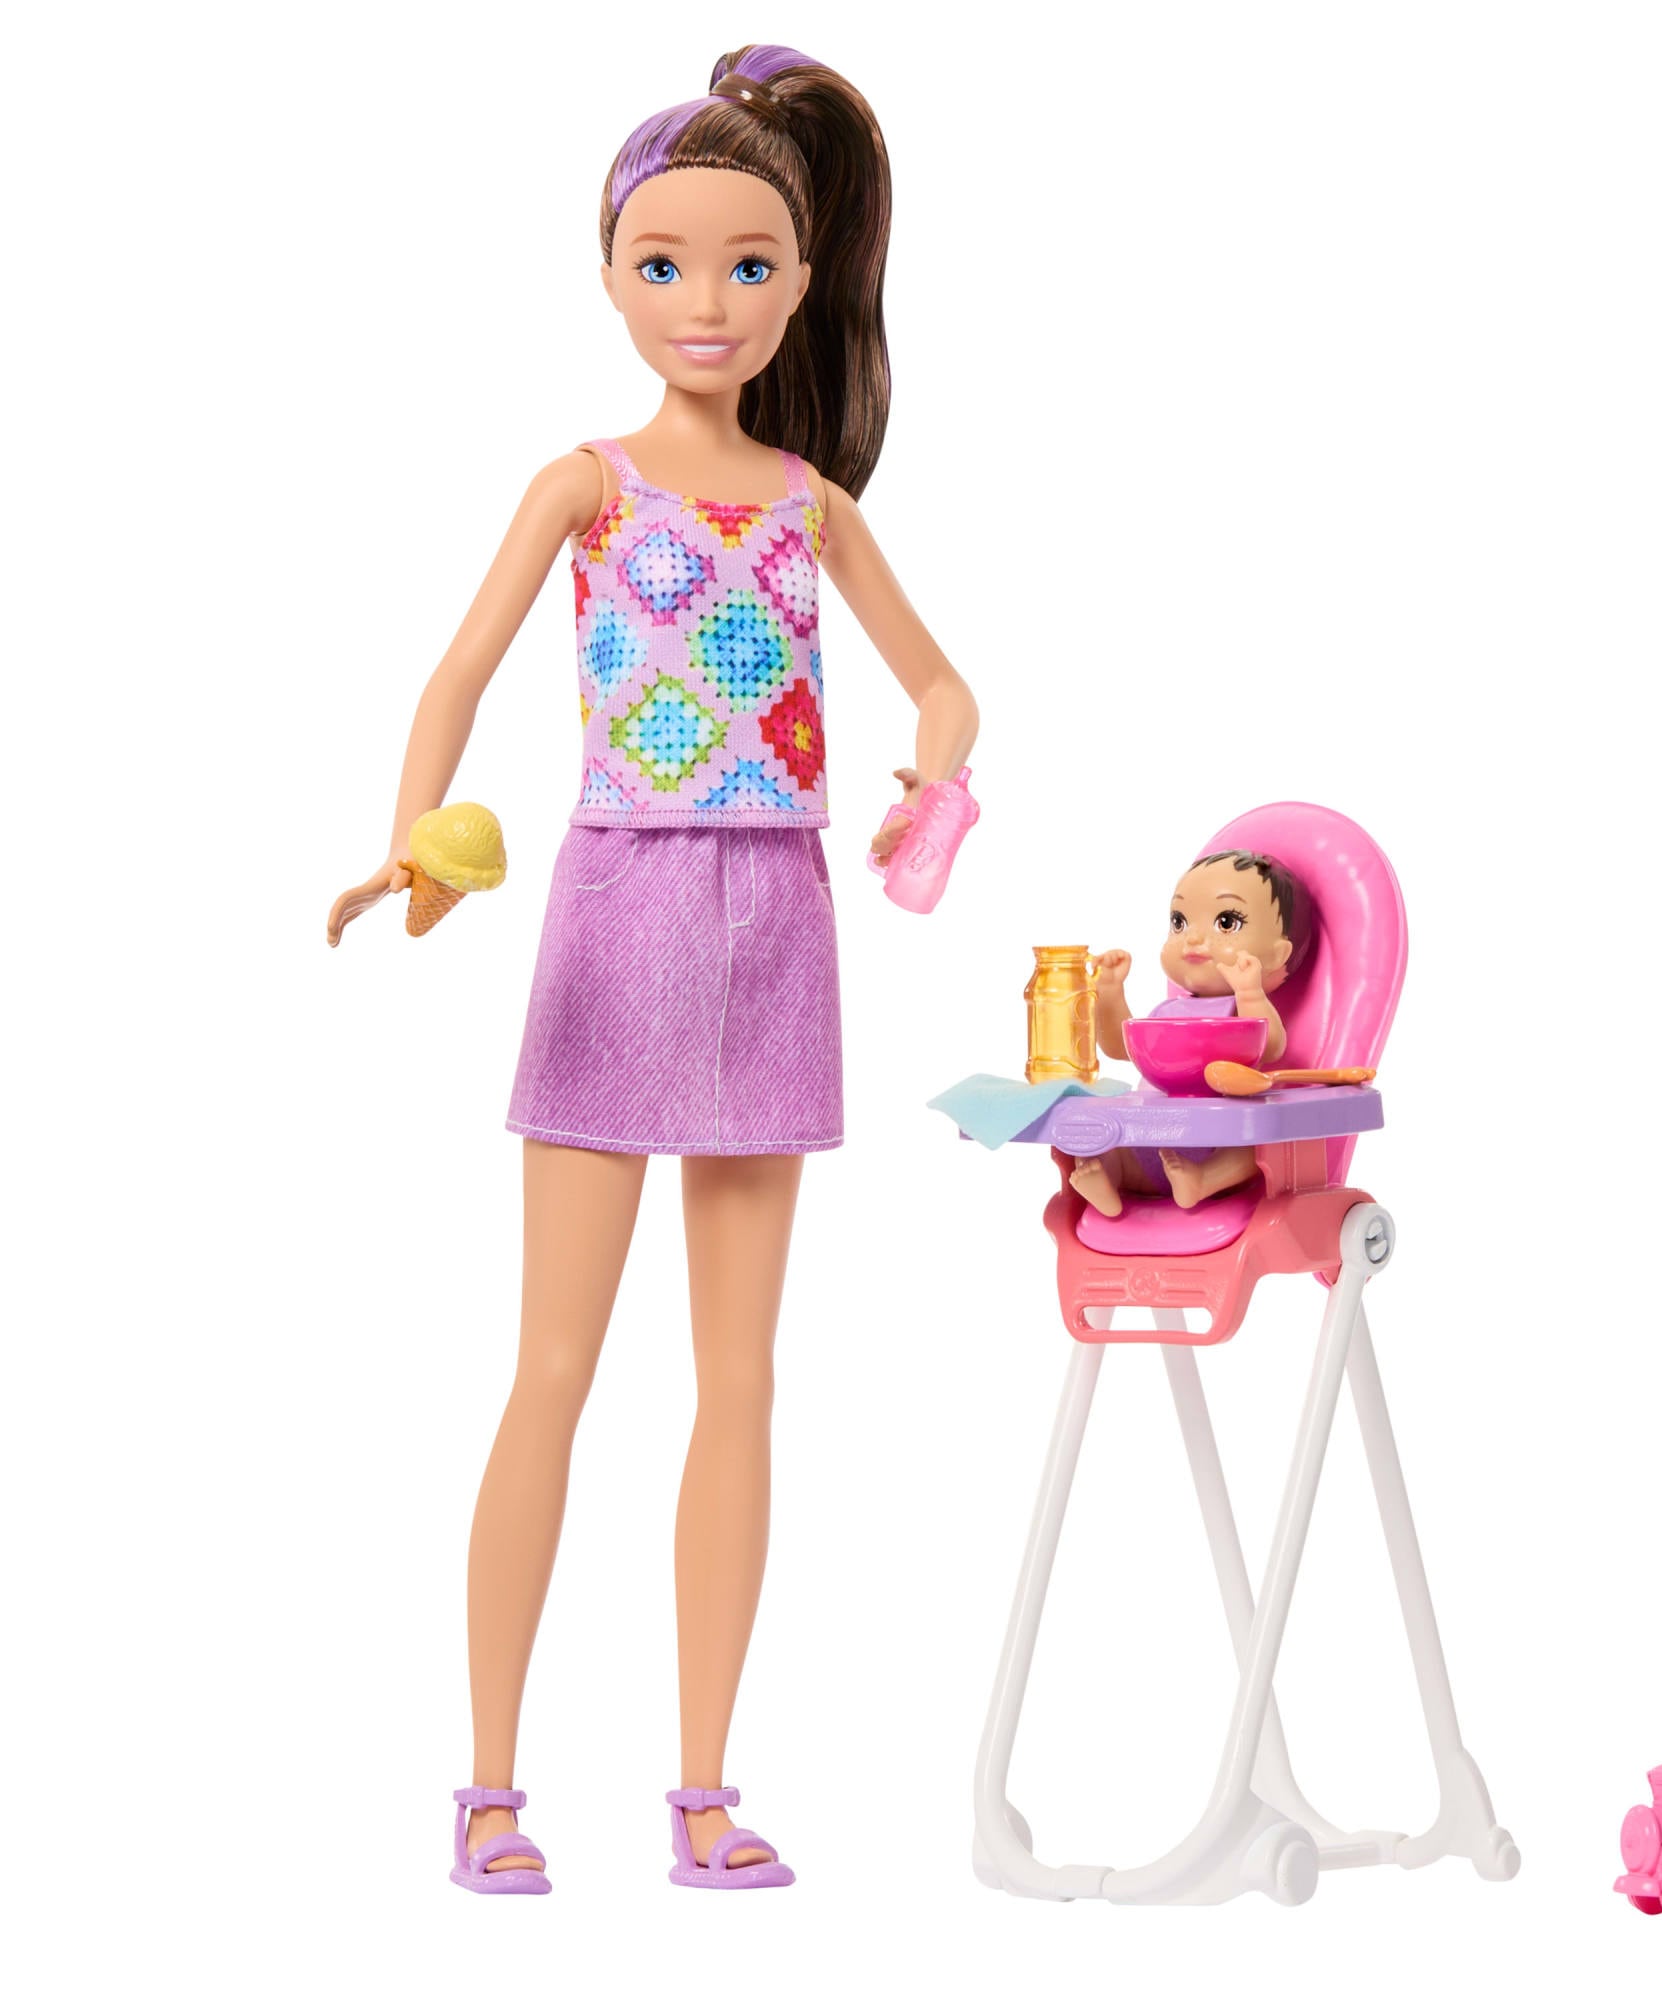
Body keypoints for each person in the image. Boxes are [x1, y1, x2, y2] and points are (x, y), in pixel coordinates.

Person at [325, 45, 978, 1892]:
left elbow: (943, 678)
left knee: (740, 1378)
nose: (709, 300)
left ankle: (703, 1790)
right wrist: (417, 835)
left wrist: (934, 776)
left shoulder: (812, 506)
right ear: (610, 274)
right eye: (666, 263)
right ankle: (489, 1787)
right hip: (616, 907)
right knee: (554, 1364)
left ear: (805, 278)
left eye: (751, 264)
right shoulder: (587, 484)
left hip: (779, 919)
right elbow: (458, 669)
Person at [1073, 850, 1312, 1216]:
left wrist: (1249, 992)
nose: (1193, 938)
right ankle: (1108, 1184)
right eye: (1180, 922)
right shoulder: (1169, 1012)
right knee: (1100, 1141)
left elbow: (1272, 1045)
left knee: (1258, 1147)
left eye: (1226, 922)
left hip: (1219, 1144)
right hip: (1148, 1144)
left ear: (1277, 955)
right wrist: (1109, 993)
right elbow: (1121, 1048)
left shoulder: (1242, 1009)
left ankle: (1203, 1180)